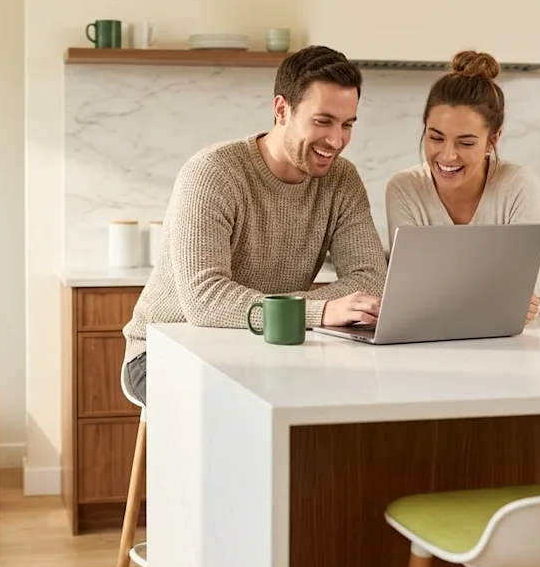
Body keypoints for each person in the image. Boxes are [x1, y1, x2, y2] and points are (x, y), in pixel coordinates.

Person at [120, 45, 389, 405]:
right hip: (163, 350)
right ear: (282, 110)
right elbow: (206, 300)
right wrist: (320, 310)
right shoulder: (214, 173)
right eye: (323, 121)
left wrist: (297, 314)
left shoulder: (342, 180)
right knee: (239, 408)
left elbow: (370, 278)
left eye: (347, 125)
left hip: (270, 348)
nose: (337, 140)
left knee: (354, 398)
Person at [384, 49, 540, 323]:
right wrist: (495, 297)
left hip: (520, 343)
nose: (448, 155)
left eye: (466, 142)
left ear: (493, 140)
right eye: (436, 138)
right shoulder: (404, 189)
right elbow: (414, 298)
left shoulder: (519, 186)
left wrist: (443, 296)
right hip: (432, 342)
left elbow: (525, 299)